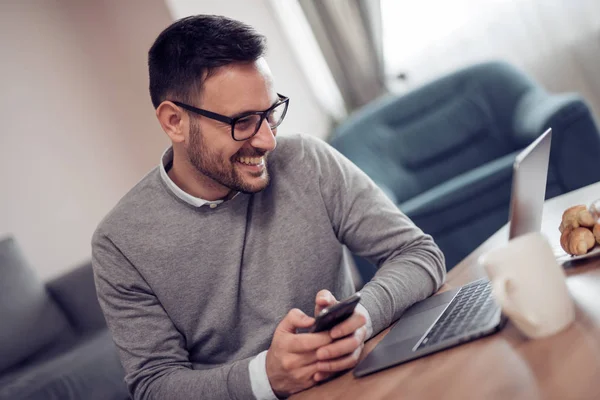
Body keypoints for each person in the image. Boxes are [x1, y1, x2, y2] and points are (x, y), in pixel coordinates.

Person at [91, 14, 446, 400]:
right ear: (175, 121)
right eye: (243, 122)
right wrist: (267, 376)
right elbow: (155, 386)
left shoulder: (306, 160)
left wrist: (362, 318)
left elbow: (419, 253)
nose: (267, 141)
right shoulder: (120, 244)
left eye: (270, 112)